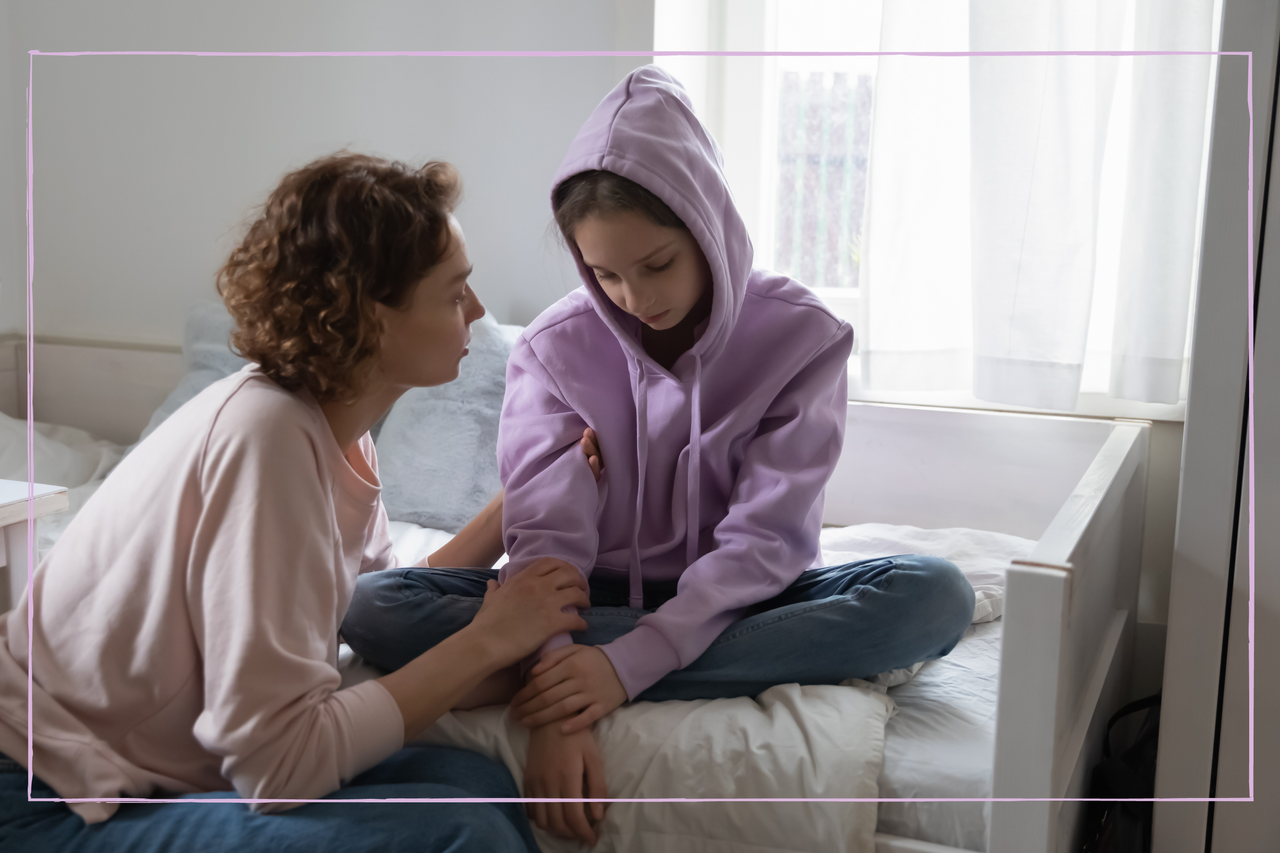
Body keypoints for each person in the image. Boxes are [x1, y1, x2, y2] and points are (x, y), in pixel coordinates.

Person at [341, 66, 976, 847]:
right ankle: (564, 670)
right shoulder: (552, 348)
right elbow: (544, 539)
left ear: (706, 225)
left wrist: (620, 669)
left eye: (657, 265)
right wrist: (559, 661)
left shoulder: (801, 337)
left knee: (933, 594)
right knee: (376, 605)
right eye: (604, 274)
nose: (635, 299)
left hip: (741, 600)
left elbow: (766, 540)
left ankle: (538, 676)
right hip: (574, 597)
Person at [0, 152, 598, 853]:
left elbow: (374, 609)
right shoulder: (268, 437)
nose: (476, 311)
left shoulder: (334, 435)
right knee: (461, 832)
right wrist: (487, 639)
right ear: (371, 314)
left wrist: (518, 505)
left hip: (148, 773)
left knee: (481, 781)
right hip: (51, 794)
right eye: (454, 290)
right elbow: (277, 767)